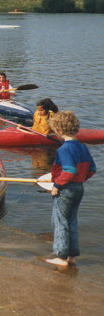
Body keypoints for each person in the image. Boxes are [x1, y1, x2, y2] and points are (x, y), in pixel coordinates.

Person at [46, 111, 96, 267]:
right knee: (72, 220)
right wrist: (80, 180)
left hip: (65, 189)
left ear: (59, 131)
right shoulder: (82, 146)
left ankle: (60, 256)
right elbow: (92, 169)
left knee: (60, 222)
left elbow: (69, 171)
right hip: (78, 188)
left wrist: (56, 184)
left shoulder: (64, 149)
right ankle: (72, 256)